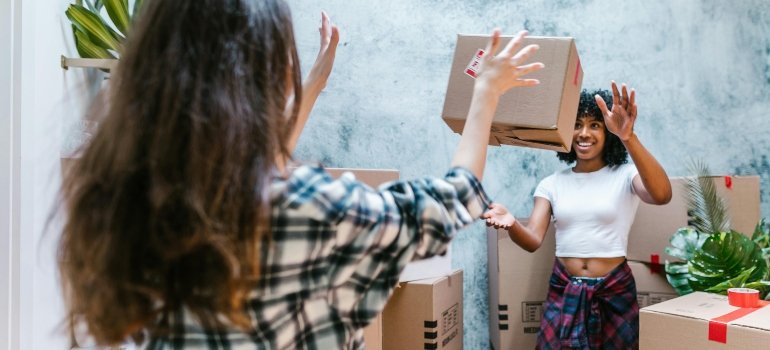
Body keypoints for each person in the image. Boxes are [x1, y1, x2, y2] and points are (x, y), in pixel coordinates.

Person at [56, 0, 545, 348]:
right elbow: (453, 199)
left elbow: (250, 171)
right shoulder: (310, 209)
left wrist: (314, 84)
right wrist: (485, 92)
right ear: (264, 75)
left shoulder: (136, 201)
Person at [483, 83, 672, 349]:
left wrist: (629, 137)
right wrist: (512, 223)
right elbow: (533, 239)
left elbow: (662, 194)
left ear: (607, 131)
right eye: (577, 124)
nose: (584, 133)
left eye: (595, 124)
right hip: (564, 290)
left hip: (614, 291)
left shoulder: (625, 175)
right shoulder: (551, 183)